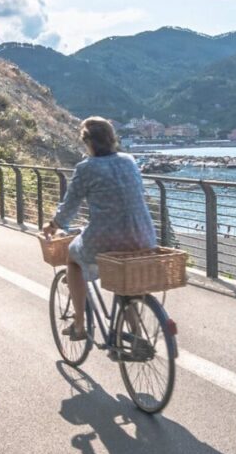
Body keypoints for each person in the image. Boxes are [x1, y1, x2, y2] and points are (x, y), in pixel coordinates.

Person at [42, 117, 157, 339]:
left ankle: (79, 324)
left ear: (88, 143)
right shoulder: (129, 160)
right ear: (112, 139)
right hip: (143, 235)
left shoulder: (86, 168)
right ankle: (135, 334)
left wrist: (54, 224)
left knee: (73, 259)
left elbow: (70, 206)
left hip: (106, 238)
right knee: (123, 277)